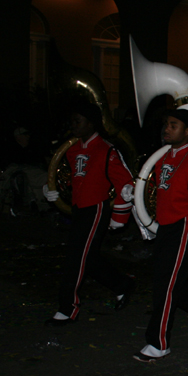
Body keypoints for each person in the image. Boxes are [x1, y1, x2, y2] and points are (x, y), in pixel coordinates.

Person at [133, 109, 188, 363]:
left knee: (165, 286)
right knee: (169, 282)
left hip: (186, 227)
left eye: (174, 125)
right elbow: (157, 189)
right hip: (167, 226)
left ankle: (158, 343)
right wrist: (134, 195)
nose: (167, 129)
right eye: (166, 124)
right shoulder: (164, 157)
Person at [43, 102, 135, 326]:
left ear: (91, 123)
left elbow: (126, 185)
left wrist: (118, 218)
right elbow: (67, 177)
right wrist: (51, 190)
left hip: (96, 209)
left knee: (76, 258)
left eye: (78, 121)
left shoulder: (106, 150)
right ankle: (123, 285)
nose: (73, 125)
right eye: (72, 121)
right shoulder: (72, 149)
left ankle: (68, 308)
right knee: (88, 258)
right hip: (78, 208)